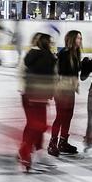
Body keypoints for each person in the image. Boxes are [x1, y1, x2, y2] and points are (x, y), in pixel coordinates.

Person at [18, 33, 57, 172]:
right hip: (39, 96)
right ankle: (26, 152)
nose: (52, 44)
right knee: (37, 126)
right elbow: (52, 77)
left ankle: (32, 153)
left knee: (34, 125)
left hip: (28, 95)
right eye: (50, 42)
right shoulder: (48, 57)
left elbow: (23, 73)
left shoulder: (29, 54)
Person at [51, 30, 83, 154]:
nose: (80, 40)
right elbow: (58, 72)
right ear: (71, 39)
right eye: (78, 38)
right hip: (61, 89)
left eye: (80, 38)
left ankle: (63, 142)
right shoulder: (64, 53)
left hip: (70, 90)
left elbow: (74, 71)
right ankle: (52, 143)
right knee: (60, 116)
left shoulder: (76, 53)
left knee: (68, 116)